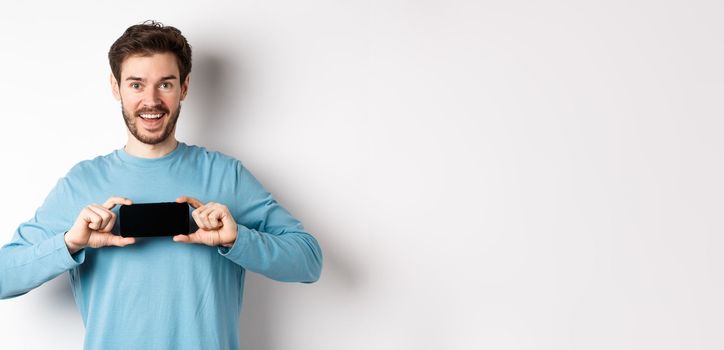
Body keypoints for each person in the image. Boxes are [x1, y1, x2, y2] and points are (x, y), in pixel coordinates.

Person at [0, 20, 323, 349]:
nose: (151, 100)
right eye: (136, 85)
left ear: (184, 88)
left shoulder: (228, 175)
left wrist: (238, 238)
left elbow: (309, 261)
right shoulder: (82, 182)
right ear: (116, 87)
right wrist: (69, 242)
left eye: (165, 84)